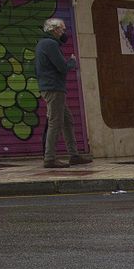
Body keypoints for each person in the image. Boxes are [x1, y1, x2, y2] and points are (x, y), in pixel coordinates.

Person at [34, 17, 91, 169]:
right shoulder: (50, 44)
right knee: (55, 122)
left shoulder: (44, 43)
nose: (64, 32)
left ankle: (74, 155)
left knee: (67, 120)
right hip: (54, 88)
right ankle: (50, 158)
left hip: (52, 87)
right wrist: (72, 61)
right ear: (54, 30)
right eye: (62, 29)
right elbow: (62, 67)